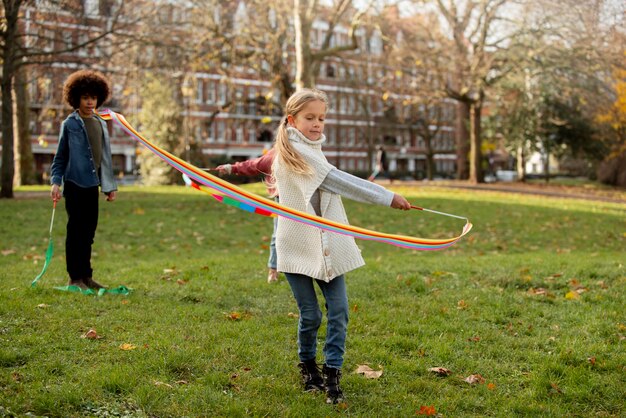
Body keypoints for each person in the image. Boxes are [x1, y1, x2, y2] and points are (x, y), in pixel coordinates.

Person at [270, 88, 411, 404]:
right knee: (311, 316)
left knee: (340, 311)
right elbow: (337, 182)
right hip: (296, 248)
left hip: (327, 246)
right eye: (310, 118)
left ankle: (332, 372)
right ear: (292, 120)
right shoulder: (293, 154)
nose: (317, 124)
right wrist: (387, 197)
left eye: (321, 118)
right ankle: (308, 367)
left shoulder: (314, 150)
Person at [50, 69, 118, 290]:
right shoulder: (69, 125)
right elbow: (60, 157)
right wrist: (55, 182)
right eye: (85, 98)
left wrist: (109, 187)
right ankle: (75, 277)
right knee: (76, 232)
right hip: (74, 185)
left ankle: (87, 276)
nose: (90, 102)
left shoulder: (100, 124)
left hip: (92, 187)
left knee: (89, 233)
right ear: (76, 98)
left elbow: (105, 158)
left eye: (94, 97)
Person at [215, 149, 279, 283]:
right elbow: (254, 165)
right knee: (278, 235)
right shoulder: (275, 155)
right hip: (281, 200)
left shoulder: (307, 151)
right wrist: (232, 168)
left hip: (303, 200)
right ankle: (273, 269)